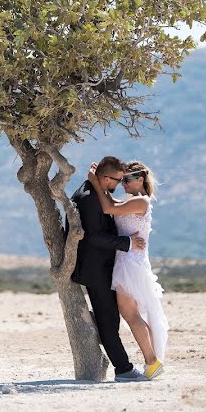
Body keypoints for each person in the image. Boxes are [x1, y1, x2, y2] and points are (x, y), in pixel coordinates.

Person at [87, 160, 169, 380]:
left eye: (126, 179)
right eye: (120, 179)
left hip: (130, 262)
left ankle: (152, 362)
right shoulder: (132, 201)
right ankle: (152, 360)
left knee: (131, 314)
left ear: (140, 179)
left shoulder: (141, 201)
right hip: (127, 261)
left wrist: (95, 181)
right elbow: (111, 201)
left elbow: (108, 207)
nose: (122, 184)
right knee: (134, 314)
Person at [70, 156, 146, 382]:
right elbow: (92, 237)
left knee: (110, 320)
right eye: (117, 180)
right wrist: (127, 243)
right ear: (105, 178)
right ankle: (123, 369)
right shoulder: (90, 198)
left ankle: (115, 355)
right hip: (96, 269)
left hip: (101, 267)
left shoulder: (92, 192)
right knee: (107, 321)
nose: (119, 184)